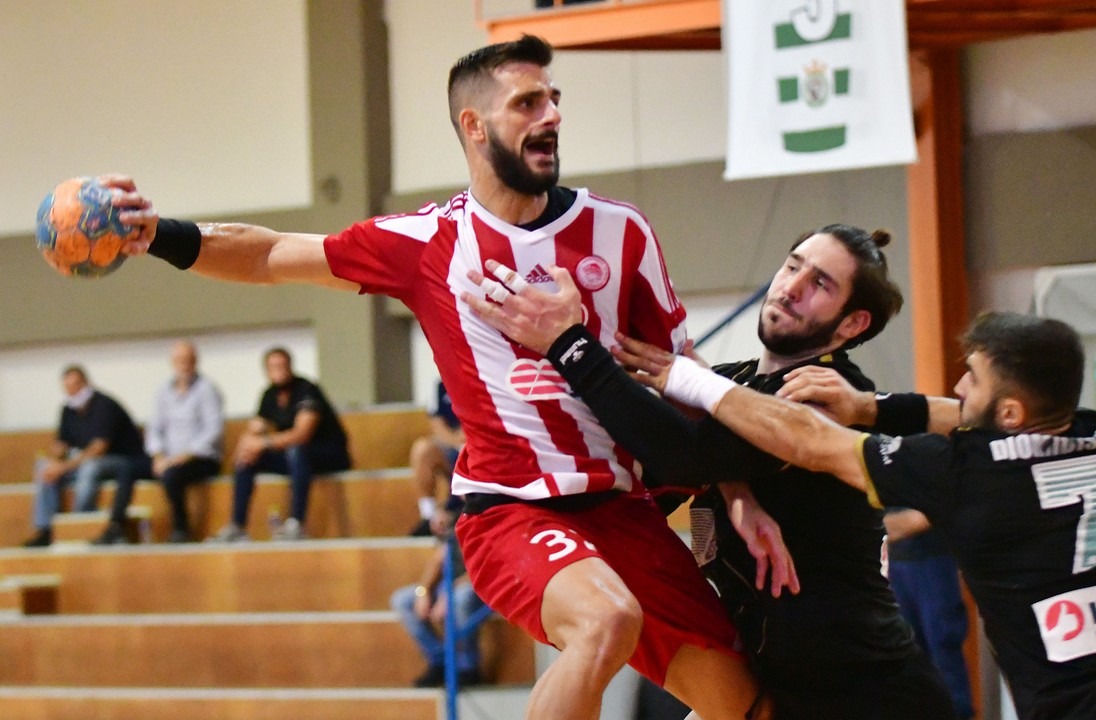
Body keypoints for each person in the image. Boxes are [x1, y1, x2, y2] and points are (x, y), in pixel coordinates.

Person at [108, 35, 769, 719]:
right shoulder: (428, 242)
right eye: (528, 102)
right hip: (510, 510)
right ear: (474, 126)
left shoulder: (621, 231)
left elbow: (684, 377)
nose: (551, 116)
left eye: (554, 99)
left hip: (624, 509)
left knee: (749, 708)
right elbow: (273, 253)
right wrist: (157, 234)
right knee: (603, 622)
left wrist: (734, 484)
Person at [492, 305, 1096, 720]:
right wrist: (871, 406)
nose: (956, 386)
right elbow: (978, 421)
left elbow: (809, 441)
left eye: (972, 379)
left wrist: (675, 374)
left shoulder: (966, 474)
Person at [464, 227, 957, 718]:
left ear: (852, 324)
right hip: (774, 680)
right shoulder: (728, 383)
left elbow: (691, 453)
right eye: (792, 265)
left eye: (821, 284)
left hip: (865, 693)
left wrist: (572, 346)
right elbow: (673, 469)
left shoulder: (826, 391)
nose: (790, 287)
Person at [209, 347, 350, 542]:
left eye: (282, 365)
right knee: (248, 457)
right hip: (296, 458)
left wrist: (264, 443)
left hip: (328, 453)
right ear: (266, 371)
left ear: (290, 367)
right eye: (273, 367)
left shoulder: (306, 390)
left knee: (295, 451)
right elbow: (256, 428)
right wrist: (246, 447)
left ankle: (296, 524)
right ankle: (237, 525)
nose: (278, 370)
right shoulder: (269, 395)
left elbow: (302, 434)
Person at [94, 340, 225, 545]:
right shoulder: (163, 391)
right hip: (166, 458)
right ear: (172, 363)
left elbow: (213, 430)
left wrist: (181, 457)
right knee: (128, 468)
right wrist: (157, 456)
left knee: (172, 475)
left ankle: (181, 529)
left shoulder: (207, 389)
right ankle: (116, 527)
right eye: (179, 360)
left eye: (187, 360)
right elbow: (154, 428)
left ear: (195, 361)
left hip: (199, 458)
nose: (183, 365)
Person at [23, 366, 151, 547]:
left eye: (76, 386)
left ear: (85, 383)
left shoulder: (104, 405)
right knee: (43, 467)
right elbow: (63, 443)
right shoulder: (68, 409)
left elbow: (99, 448)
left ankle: (80, 522)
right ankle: (46, 529)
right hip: (83, 461)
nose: (73, 392)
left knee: (89, 467)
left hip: (120, 461)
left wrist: (65, 467)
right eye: (68, 388)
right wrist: (54, 459)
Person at [885, 511, 976, 719]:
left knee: (943, 649)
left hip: (933, 559)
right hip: (897, 560)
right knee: (905, 653)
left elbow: (926, 515)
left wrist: (887, 526)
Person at [391, 500, 487, 688]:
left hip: (482, 584)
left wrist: (448, 593)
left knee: (460, 599)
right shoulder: (457, 514)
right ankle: (440, 661)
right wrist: (423, 591)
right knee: (403, 600)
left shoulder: (488, 514)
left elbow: (486, 567)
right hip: (451, 584)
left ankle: (467, 666)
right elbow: (439, 558)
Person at [409, 380, 465, 537]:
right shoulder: (441, 386)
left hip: (482, 446)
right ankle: (429, 517)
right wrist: (457, 442)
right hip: (455, 448)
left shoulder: (487, 377)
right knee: (422, 449)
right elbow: (437, 424)